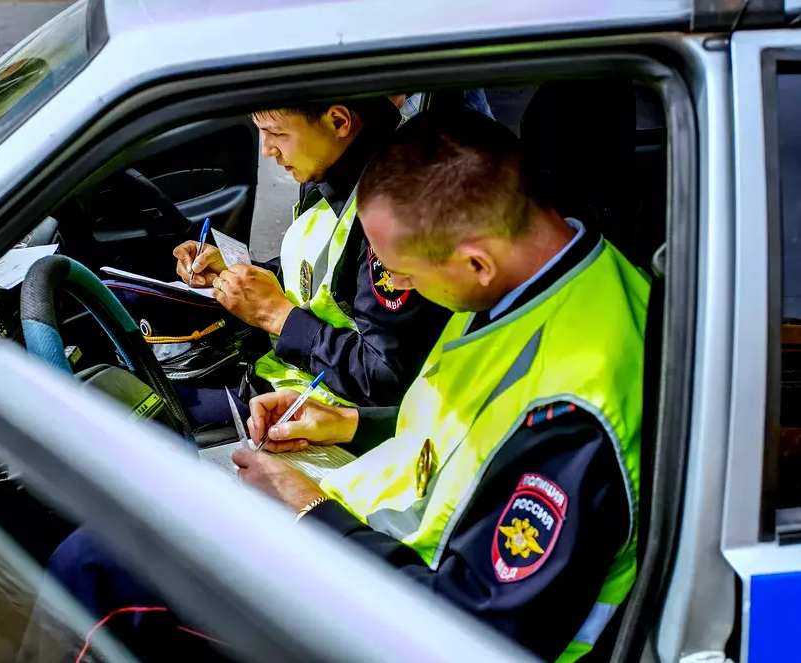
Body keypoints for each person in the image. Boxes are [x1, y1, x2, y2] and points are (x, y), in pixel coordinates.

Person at [34, 106, 647, 663]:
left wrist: (311, 513)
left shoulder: (572, 420)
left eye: (404, 273)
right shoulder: (544, 277)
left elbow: (470, 631)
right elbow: (463, 425)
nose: (398, 290)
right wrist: (351, 424)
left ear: (475, 261)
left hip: (385, 612)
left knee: (97, 568)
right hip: (363, 531)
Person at [165, 99, 451, 427]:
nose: (267, 151)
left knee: (161, 417)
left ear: (339, 122)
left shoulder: (389, 212)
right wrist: (241, 274)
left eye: (277, 134)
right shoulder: (329, 172)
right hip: (286, 377)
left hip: (332, 415)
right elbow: (319, 276)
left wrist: (278, 317)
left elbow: (383, 379)